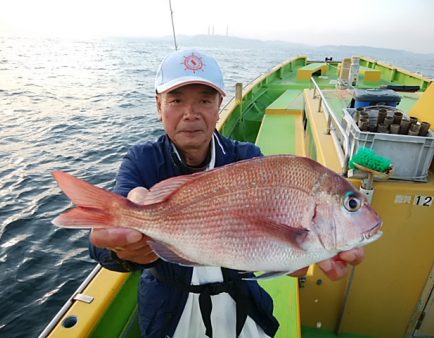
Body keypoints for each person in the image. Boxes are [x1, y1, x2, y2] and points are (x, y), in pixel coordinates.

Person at [89, 49, 365, 338]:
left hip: (240, 302)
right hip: (168, 308)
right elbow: (99, 248)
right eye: (176, 100)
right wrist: (123, 251)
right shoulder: (142, 160)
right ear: (158, 106)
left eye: (205, 101)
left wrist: (299, 258)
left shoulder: (247, 158)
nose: (190, 114)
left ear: (220, 105)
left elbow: (272, 242)